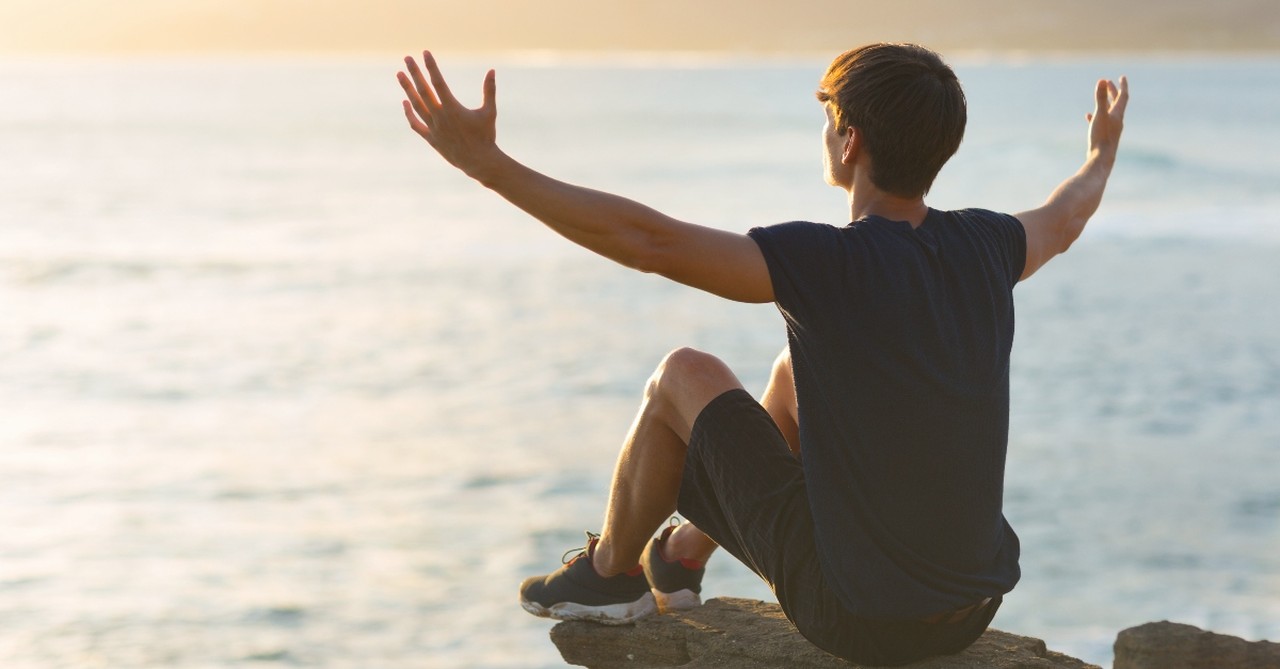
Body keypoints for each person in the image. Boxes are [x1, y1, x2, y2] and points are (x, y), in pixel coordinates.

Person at [396, 43, 1127, 666]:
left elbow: (649, 241)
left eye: (827, 122)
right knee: (790, 373)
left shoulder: (829, 261)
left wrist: (489, 166)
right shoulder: (987, 243)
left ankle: (608, 575)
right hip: (972, 606)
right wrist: (1099, 154)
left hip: (861, 620)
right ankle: (682, 554)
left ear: (850, 141)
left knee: (683, 374)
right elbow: (1067, 215)